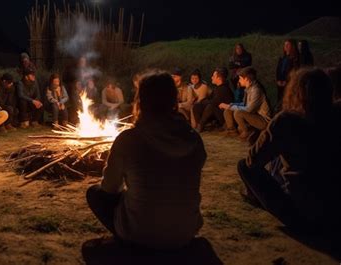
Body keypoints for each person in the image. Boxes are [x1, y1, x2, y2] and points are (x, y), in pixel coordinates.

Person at [86, 70, 206, 249]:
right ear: (174, 101)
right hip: (185, 232)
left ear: (140, 101)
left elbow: (109, 188)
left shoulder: (129, 139)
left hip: (139, 232)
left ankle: (127, 244)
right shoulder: (194, 139)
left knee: (94, 193)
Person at [237, 67, 341, 232]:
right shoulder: (336, 115)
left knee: (244, 165)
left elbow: (253, 160)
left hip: (304, 214)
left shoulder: (288, 120)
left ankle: (257, 198)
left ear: (295, 92)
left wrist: (260, 139)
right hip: (335, 210)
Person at [219, 67, 271, 142]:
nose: (239, 80)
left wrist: (231, 106)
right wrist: (230, 105)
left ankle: (247, 132)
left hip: (263, 120)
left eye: (240, 78)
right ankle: (232, 131)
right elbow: (245, 104)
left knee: (238, 112)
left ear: (246, 79)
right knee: (228, 110)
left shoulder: (256, 90)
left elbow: (249, 109)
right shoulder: (248, 89)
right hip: (254, 115)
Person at [193, 67, 234, 132]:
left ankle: (201, 125)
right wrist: (202, 101)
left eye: (214, 76)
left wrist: (204, 102)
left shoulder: (224, 89)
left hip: (224, 116)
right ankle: (201, 125)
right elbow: (209, 98)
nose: (212, 77)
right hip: (216, 113)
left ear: (219, 78)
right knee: (197, 106)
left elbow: (214, 102)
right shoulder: (217, 88)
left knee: (211, 106)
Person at [275, 39, 299, 107]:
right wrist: (278, 80)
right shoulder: (283, 58)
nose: (285, 46)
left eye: (288, 45)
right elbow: (278, 70)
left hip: (289, 82)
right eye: (285, 45)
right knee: (280, 99)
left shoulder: (295, 59)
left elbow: (293, 71)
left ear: (292, 46)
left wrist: (287, 81)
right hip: (280, 82)